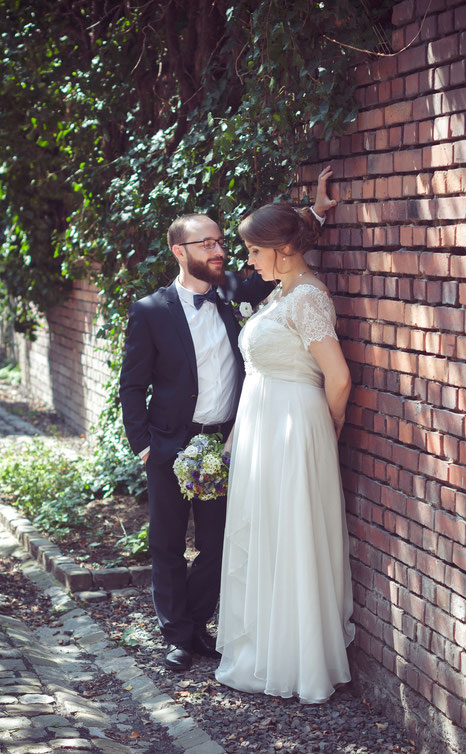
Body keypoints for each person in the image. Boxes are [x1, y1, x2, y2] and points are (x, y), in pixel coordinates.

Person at [215, 174, 355, 703]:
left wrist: (331, 424)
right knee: (269, 530)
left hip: (295, 426)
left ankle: (300, 660)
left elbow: (338, 377)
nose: (247, 260)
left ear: (285, 250)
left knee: (292, 531)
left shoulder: (306, 299)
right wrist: (314, 216)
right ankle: (267, 649)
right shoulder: (283, 291)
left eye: (254, 250)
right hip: (265, 427)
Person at [119, 211, 274, 671]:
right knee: (167, 544)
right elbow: (132, 384)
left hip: (224, 443)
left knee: (218, 541)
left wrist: (319, 213)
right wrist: (144, 446)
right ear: (179, 251)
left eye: (219, 241)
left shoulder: (233, 292)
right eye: (205, 243)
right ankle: (178, 637)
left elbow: (281, 250)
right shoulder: (150, 310)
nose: (218, 250)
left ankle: (198, 624)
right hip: (169, 445)